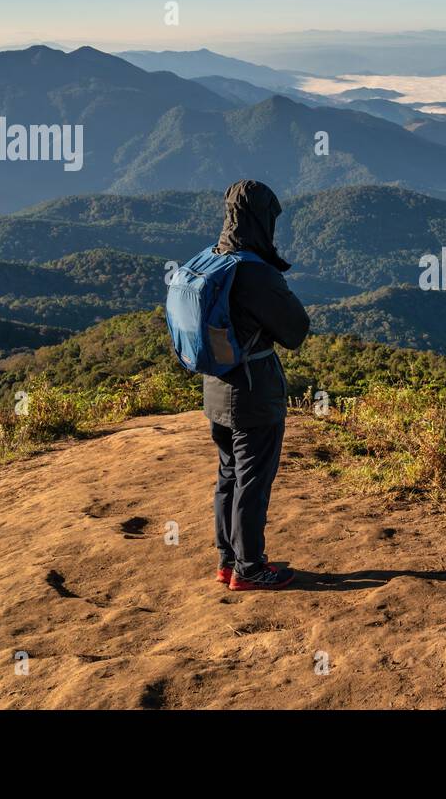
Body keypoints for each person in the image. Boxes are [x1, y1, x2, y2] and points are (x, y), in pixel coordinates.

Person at [203, 180, 309, 591]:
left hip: (216, 390)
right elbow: (296, 330)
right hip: (252, 394)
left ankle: (228, 560)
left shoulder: (215, 260)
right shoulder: (253, 271)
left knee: (228, 475)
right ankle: (250, 567)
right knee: (253, 479)